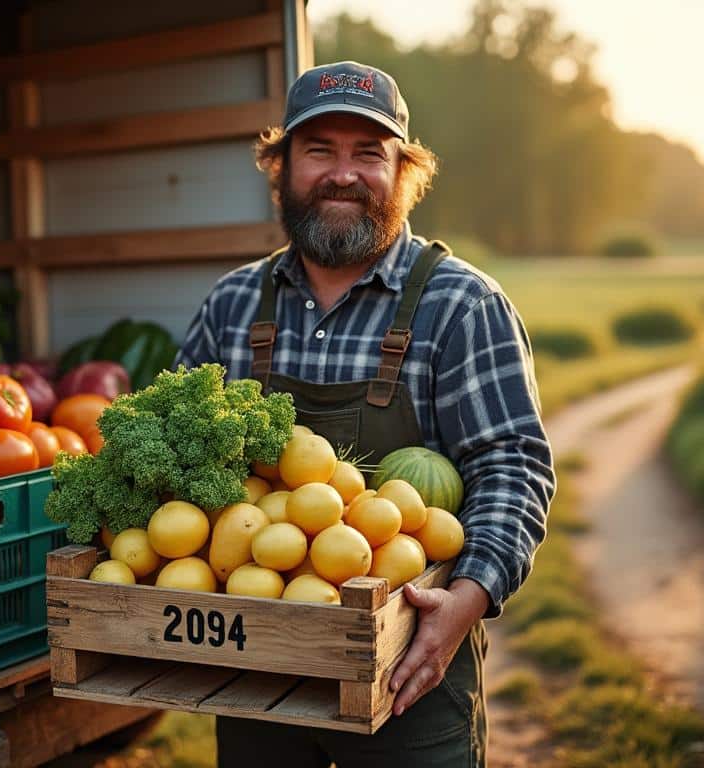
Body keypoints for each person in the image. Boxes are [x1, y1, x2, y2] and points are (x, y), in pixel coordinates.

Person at [175, 60, 555, 767]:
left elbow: (512, 467)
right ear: (281, 167)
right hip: (256, 666)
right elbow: (173, 452)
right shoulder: (232, 306)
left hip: (410, 667)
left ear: (404, 173)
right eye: (319, 150)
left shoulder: (462, 306)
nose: (343, 173)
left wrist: (467, 599)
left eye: (368, 153)